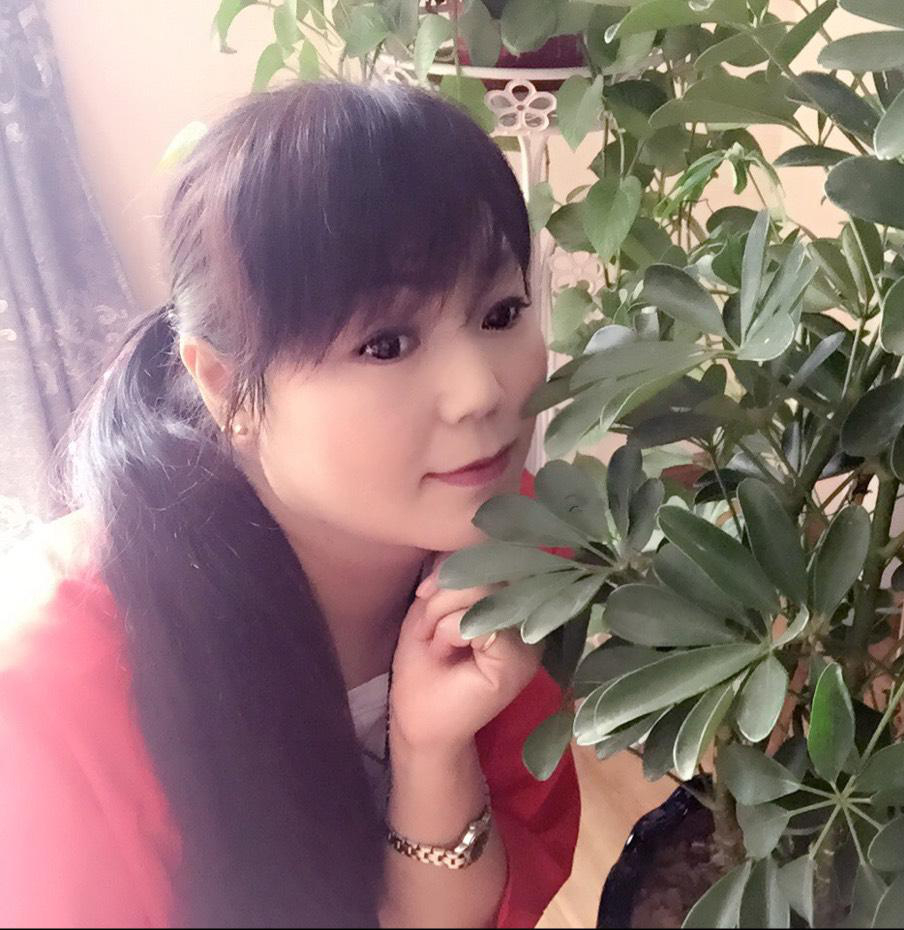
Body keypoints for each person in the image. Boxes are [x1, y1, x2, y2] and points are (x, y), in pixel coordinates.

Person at [0, 81, 580, 928]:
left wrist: (431, 755)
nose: (480, 392)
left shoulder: (516, 548)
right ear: (225, 386)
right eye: (385, 343)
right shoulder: (50, 690)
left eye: (501, 313)